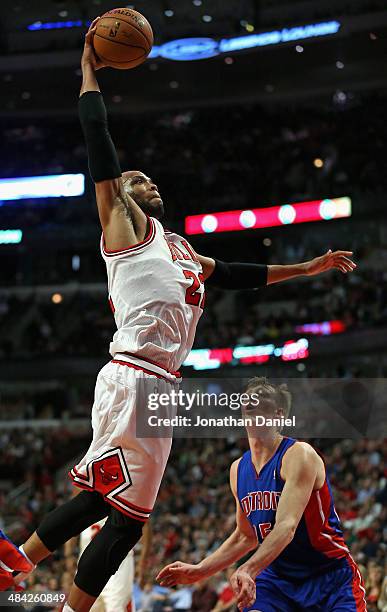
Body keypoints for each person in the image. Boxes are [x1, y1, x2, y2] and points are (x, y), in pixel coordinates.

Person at [0, 16, 356, 612]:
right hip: (137, 372)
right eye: (139, 178)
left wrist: (308, 269)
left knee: (113, 507)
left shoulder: (180, 247)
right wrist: (88, 71)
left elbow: (242, 275)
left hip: (157, 383)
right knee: (121, 515)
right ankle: (51, 590)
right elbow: (100, 144)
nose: (148, 181)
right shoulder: (124, 222)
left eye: (147, 177)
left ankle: (20, 562)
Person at [157, 377, 367, 612]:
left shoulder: (299, 455)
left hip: (328, 577)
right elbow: (245, 537)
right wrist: (200, 570)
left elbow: (286, 527)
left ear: (278, 415)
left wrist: (248, 568)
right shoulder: (238, 470)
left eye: (262, 397)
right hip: (277, 579)